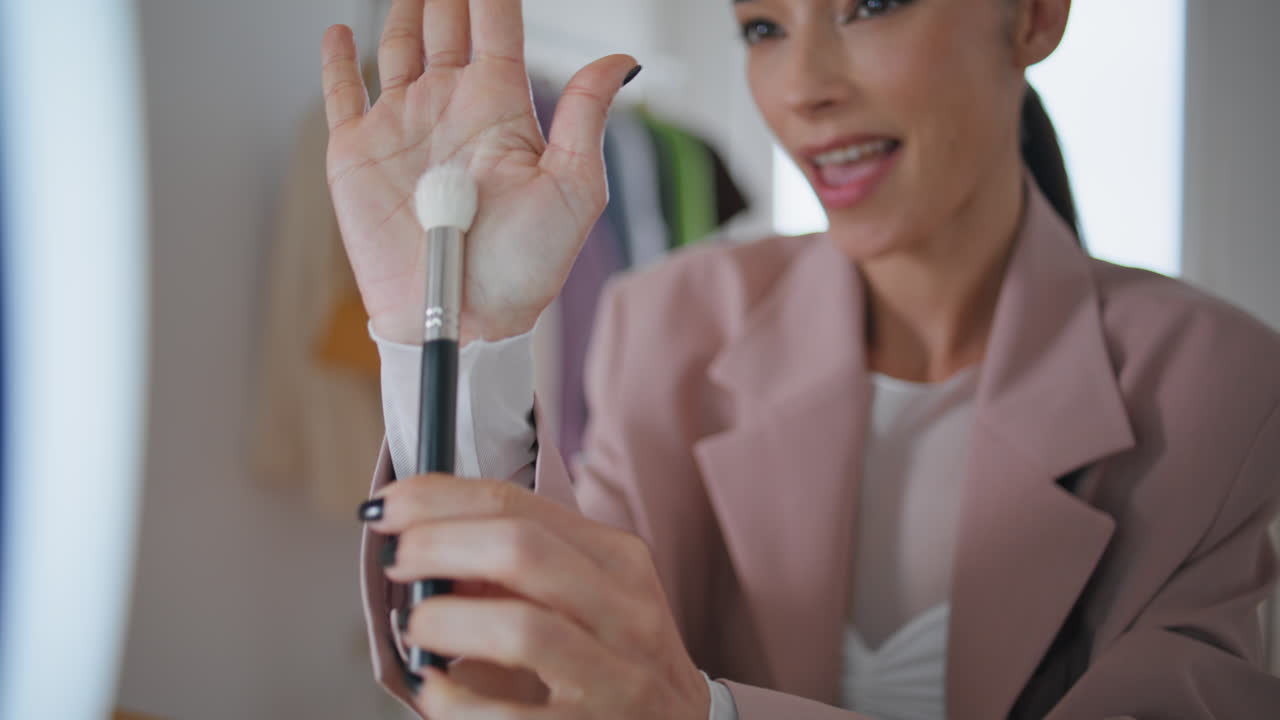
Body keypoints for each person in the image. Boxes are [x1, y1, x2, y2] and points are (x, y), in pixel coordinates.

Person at [319, 0, 1280, 717]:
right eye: (763, 28)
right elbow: (531, 678)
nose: (804, 87)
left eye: (868, 4)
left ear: (1031, 17)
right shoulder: (669, 323)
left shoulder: (1216, 383)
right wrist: (454, 338)